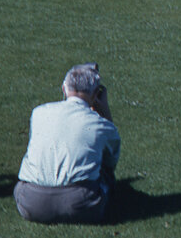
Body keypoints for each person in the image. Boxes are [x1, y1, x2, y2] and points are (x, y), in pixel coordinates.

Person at [14, 64, 120, 224]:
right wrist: (104, 111)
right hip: (81, 205)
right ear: (97, 94)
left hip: (31, 203)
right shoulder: (102, 124)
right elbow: (110, 162)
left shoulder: (38, 112)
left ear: (64, 88)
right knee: (105, 175)